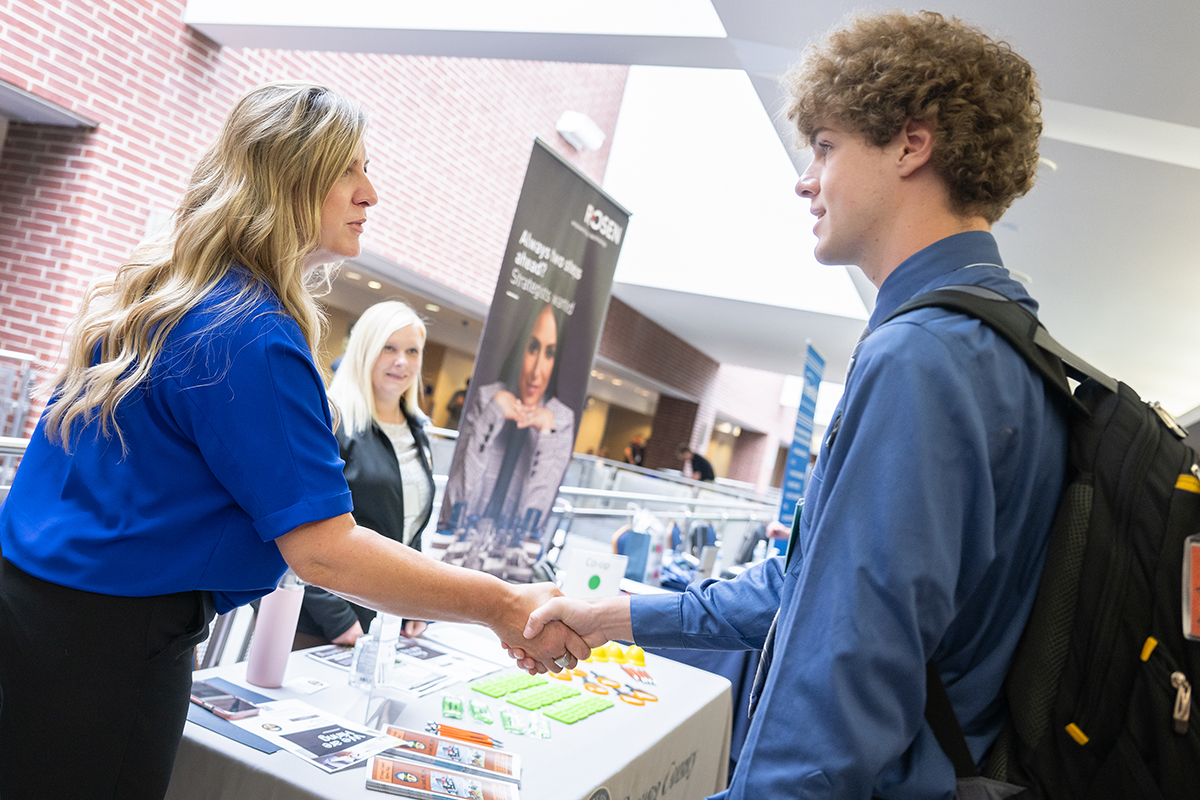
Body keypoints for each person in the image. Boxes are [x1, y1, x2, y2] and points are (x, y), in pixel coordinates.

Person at [514, 11, 1066, 798]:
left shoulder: (921, 359)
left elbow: (847, 668)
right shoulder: (1011, 348)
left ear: (912, 145)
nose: (806, 178)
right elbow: (807, 588)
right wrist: (614, 618)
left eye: (827, 146)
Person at [0, 81, 587, 800]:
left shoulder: (161, 297)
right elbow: (323, 550)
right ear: (289, 178)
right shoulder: (248, 334)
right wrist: (500, 604)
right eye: (349, 170)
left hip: (31, 615)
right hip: (109, 650)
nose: (370, 194)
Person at [295, 300, 435, 648]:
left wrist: (417, 604)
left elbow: (408, 529)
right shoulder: (330, 421)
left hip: (382, 624)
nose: (401, 361)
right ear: (364, 350)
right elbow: (298, 531)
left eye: (412, 351)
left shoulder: (418, 432)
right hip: (320, 628)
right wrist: (339, 620)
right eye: (389, 348)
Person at [439, 302, 575, 547]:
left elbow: (534, 519)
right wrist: (491, 417)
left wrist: (546, 436)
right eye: (532, 348)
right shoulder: (487, 397)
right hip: (463, 549)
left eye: (549, 353)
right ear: (519, 347)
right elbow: (455, 502)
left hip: (511, 560)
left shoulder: (561, 420)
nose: (536, 371)